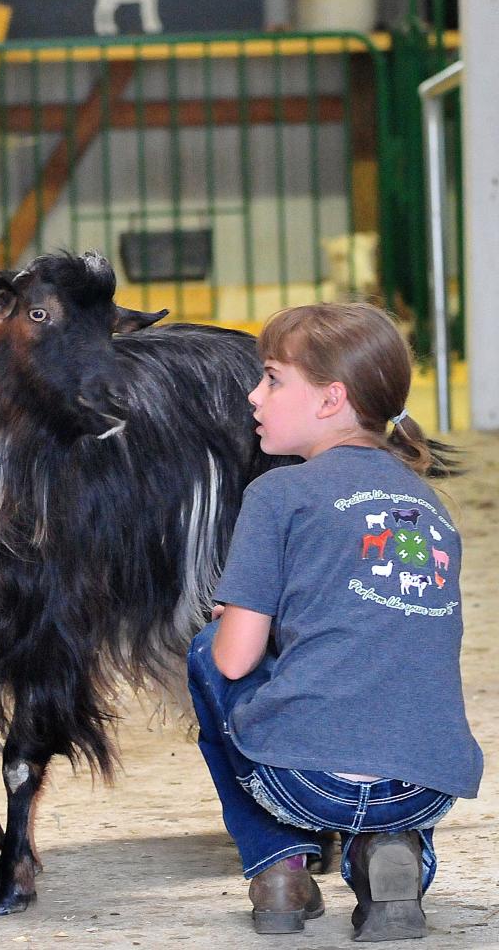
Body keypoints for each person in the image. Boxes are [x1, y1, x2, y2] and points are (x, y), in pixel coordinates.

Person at [186, 302, 482, 942]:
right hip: (422, 785)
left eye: (271, 379)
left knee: (208, 652)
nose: (252, 394)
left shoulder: (276, 494)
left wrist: (241, 614)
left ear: (330, 401)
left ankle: (277, 868)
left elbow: (236, 661)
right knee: (393, 669)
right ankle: (390, 851)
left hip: (307, 785)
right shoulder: (430, 504)